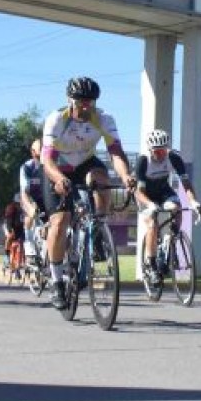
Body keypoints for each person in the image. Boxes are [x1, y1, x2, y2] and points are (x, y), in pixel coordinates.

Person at [40, 77, 135, 308]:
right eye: (81, 102)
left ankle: (98, 228)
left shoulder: (104, 119)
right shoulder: (56, 119)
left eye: (90, 102)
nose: (85, 107)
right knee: (60, 221)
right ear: (69, 100)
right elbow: (47, 159)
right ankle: (56, 281)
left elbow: (115, 153)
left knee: (101, 178)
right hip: (59, 166)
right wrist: (59, 179)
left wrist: (125, 176)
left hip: (85, 163)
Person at [132, 129, 201, 283]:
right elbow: (139, 192)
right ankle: (151, 265)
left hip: (164, 191)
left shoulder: (173, 158)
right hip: (145, 195)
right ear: (150, 150)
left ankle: (170, 242)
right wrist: (150, 204)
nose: (160, 154)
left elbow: (186, 184)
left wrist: (193, 202)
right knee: (152, 224)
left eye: (163, 150)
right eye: (157, 151)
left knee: (177, 207)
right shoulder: (143, 161)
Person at [16, 139, 45, 265]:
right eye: (40, 150)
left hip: (45, 198)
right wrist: (30, 206)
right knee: (30, 214)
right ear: (33, 152)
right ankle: (29, 247)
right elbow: (24, 192)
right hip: (29, 196)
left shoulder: (51, 164)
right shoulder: (27, 167)